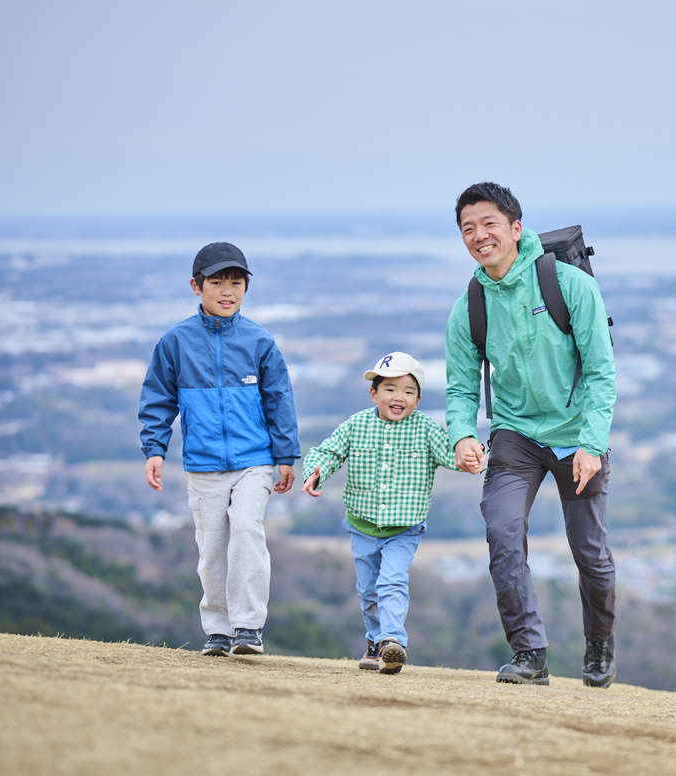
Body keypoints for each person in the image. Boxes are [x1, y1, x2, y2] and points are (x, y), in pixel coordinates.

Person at [444, 182, 618, 688]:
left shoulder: (569, 286)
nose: (479, 236)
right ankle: (529, 655)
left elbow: (602, 372)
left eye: (489, 224)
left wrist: (591, 444)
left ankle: (600, 647)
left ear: (516, 229)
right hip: (516, 436)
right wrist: (461, 435)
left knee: (590, 551)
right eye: (468, 229)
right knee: (502, 534)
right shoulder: (470, 306)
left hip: (576, 433)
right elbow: (460, 386)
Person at [139, 242, 299, 657]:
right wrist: (154, 448)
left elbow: (279, 400)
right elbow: (158, 398)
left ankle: (247, 627)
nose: (227, 291)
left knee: (246, 530)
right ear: (197, 286)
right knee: (212, 546)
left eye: (236, 282)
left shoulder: (260, 342)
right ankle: (218, 630)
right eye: (217, 282)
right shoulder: (175, 342)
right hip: (203, 463)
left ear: (246, 287)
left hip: (255, 460)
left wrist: (285, 457)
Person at [301, 352, 460, 675]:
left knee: (392, 581)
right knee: (369, 589)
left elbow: (451, 455)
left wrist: (473, 454)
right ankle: (376, 644)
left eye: (408, 391)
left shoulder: (427, 429)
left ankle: (393, 641)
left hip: (404, 528)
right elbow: (329, 451)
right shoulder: (357, 425)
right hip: (362, 525)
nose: (398, 397)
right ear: (374, 394)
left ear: (417, 400)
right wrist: (316, 471)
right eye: (389, 388)